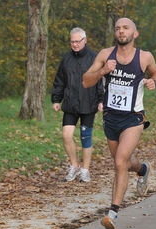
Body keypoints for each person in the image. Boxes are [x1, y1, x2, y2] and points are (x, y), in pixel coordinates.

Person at [82, 17, 156, 229]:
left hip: (133, 118)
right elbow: (86, 81)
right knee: (124, 163)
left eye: (126, 28)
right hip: (110, 117)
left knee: (119, 162)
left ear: (134, 34)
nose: (121, 31)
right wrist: (102, 71)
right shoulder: (104, 55)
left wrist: (155, 81)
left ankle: (113, 213)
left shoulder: (144, 57)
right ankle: (142, 169)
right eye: (118, 28)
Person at [51, 27, 104, 183]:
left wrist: (102, 100)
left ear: (85, 40)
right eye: (72, 41)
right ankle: (74, 166)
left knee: (85, 137)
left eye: (77, 41)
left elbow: (100, 80)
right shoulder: (66, 59)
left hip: (89, 104)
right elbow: (60, 80)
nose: (74, 44)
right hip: (70, 104)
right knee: (66, 135)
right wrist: (56, 99)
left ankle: (85, 170)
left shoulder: (95, 58)